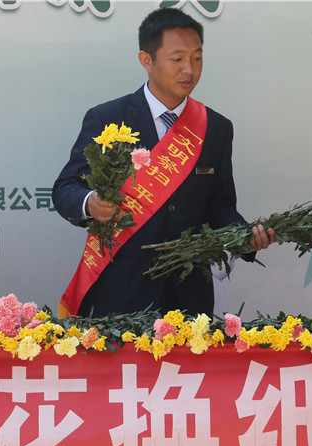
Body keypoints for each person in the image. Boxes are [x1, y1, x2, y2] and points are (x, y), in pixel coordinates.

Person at [52, 7, 274, 317]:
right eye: (177, 58)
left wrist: (243, 236)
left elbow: (219, 204)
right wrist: (90, 203)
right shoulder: (107, 118)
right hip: (121, 291)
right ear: (147, 60)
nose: (189, 70)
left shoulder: (216, 127)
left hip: (188, 295)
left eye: (197, 58)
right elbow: (66, 187)